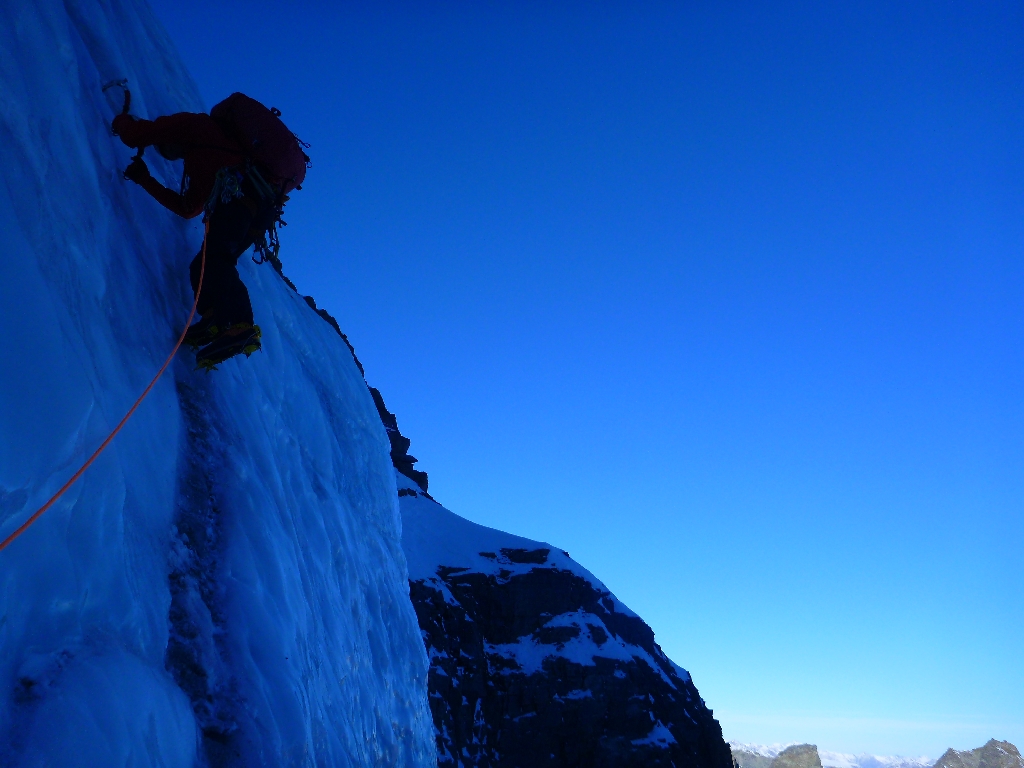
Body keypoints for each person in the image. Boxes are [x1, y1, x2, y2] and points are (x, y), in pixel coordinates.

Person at [112, 109, 274, 368]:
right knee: (202, 266)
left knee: (217, 260)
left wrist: (121, 120)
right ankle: (214, 319)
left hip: (240, 203)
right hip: (253, 212)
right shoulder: (203, 157)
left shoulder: (195, 126)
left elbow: (136, 135)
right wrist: (145, 180)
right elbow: (188, 208)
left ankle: (240, 326)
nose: (174, 155)